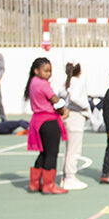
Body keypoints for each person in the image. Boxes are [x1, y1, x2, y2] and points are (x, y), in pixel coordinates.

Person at [24, 57, 69, 195]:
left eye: (50, 71)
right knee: (51, 153)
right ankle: (48, 185)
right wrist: (64, 110)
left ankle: (35, 182)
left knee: (43, 152)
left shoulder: (33, 82)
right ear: (36, 70)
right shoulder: (43, 84)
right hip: (48, 121)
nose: (48, 73)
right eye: (45, 71)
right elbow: (55, 100)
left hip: (38, 121)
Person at [60, 62, 90, 190]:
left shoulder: (66, 82)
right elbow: (74, 97)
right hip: (76, 116)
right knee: (74, 149)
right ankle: (70, 177)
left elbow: (60, 95)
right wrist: (86, 105)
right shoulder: (77, 82)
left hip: (69, 116)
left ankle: (66, 176)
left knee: (69, 149)